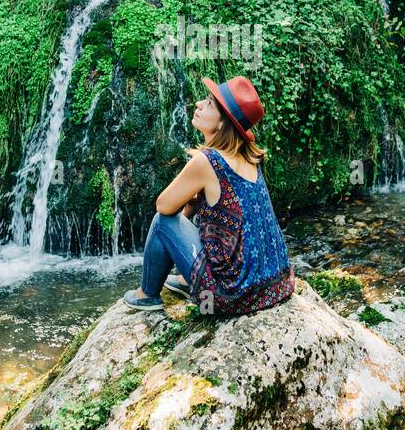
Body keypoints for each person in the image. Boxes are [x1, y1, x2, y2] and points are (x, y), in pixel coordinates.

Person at [123, 75, 295, 316]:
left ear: (224, 123)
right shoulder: (250, 158)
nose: (199, 105)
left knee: (162, 222)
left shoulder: (207, 162)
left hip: (230, 298)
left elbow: (163, 206)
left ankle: (147, 295)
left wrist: (188, 203)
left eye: (210, 103)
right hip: (274, 287)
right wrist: (194, 204)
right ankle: (186, 279)